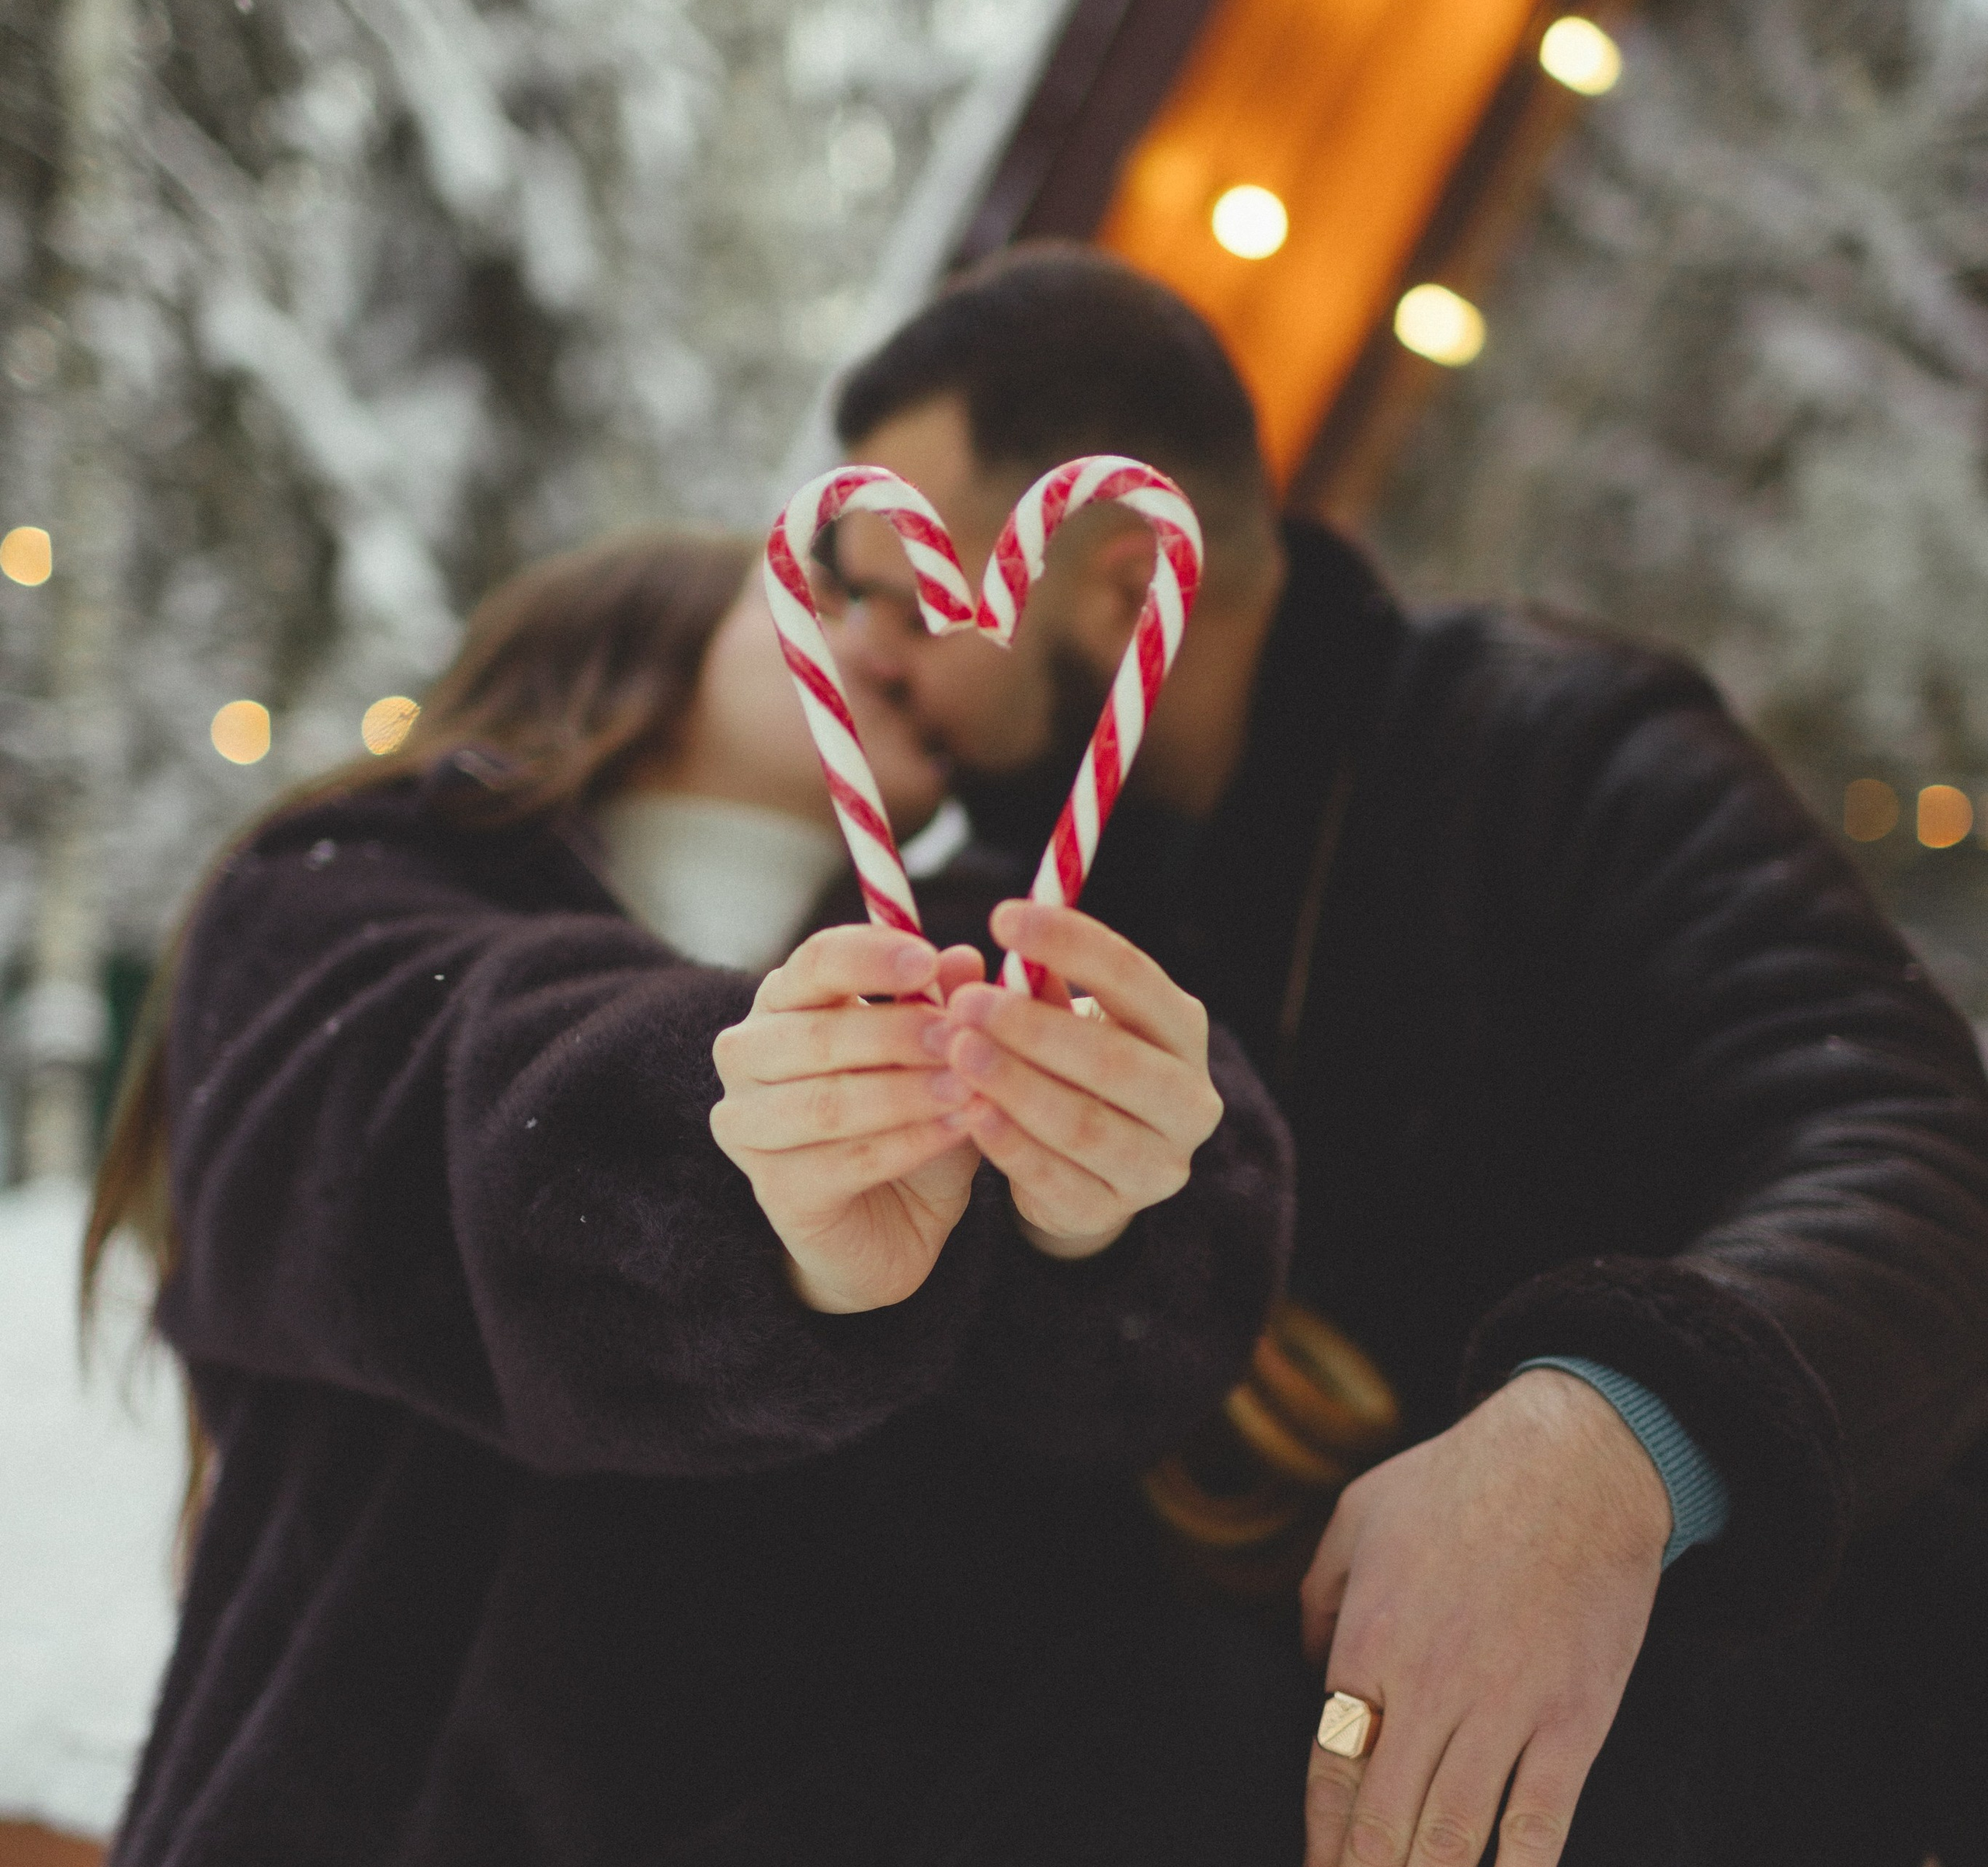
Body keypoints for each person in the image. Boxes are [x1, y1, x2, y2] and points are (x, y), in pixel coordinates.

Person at [818, 243, 1988, 1867]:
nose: (873, 649)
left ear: (1105, 577)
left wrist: (1611, 1438)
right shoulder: (994, 921)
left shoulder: (1551, 745)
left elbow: (1903, 1139)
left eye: (906, 588)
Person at [85, 532, 1302, 1864]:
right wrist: (753, 1198)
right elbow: (437, 1125)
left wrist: (1099, 1216)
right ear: (626, 635)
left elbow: (1124, 1388)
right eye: (835, 591)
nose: (905, 626)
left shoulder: (1003, 944)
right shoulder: (338, 890)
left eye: (925, 608)